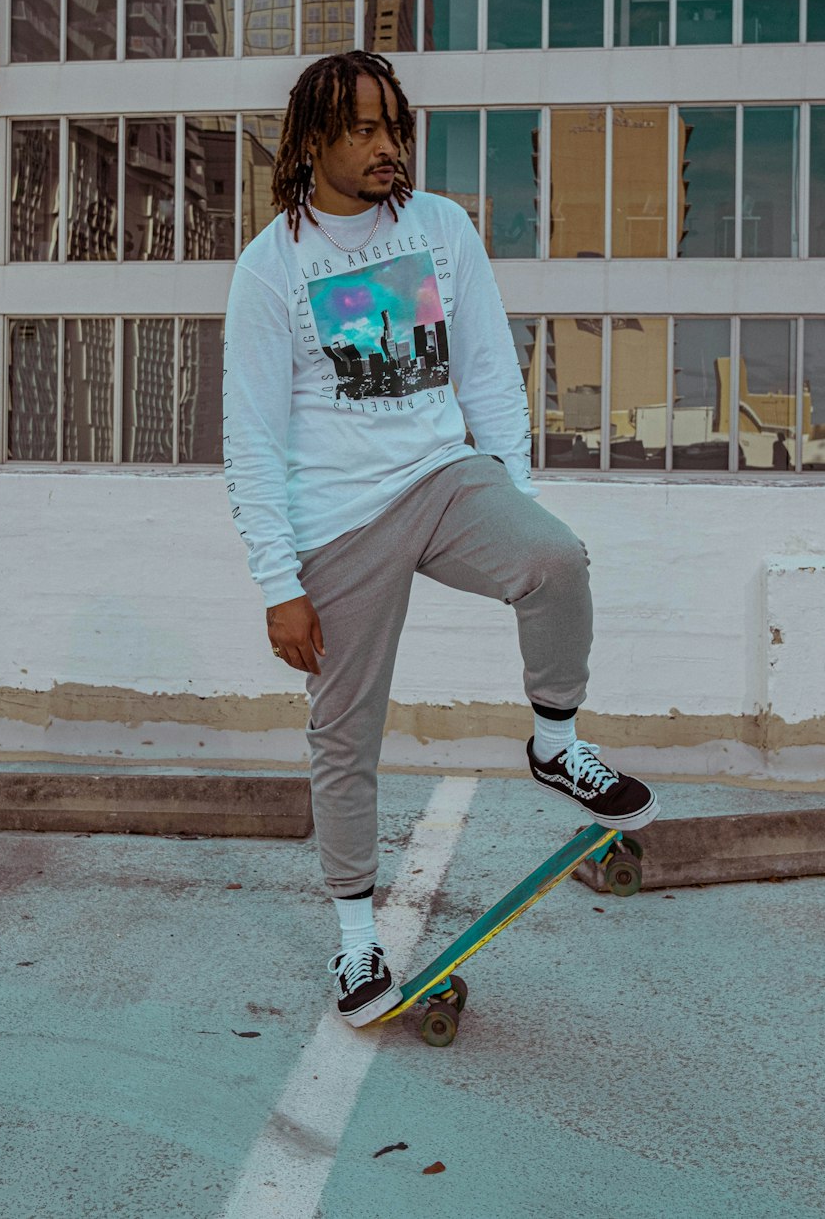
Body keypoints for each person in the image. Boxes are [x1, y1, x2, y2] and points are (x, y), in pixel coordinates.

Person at [222, 50, 659, 1028]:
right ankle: (354, 945)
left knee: (555, 559)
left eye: (394, 127)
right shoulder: (272, 267)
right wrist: (276, 579)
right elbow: (249, 439)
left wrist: (514, 498)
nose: (387, 146)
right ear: (313, 141)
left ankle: (556, 742)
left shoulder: (439, 229)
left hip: (442, 474)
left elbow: (493, 380)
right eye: (363, 129)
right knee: (345, 732)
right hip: (336, 517)